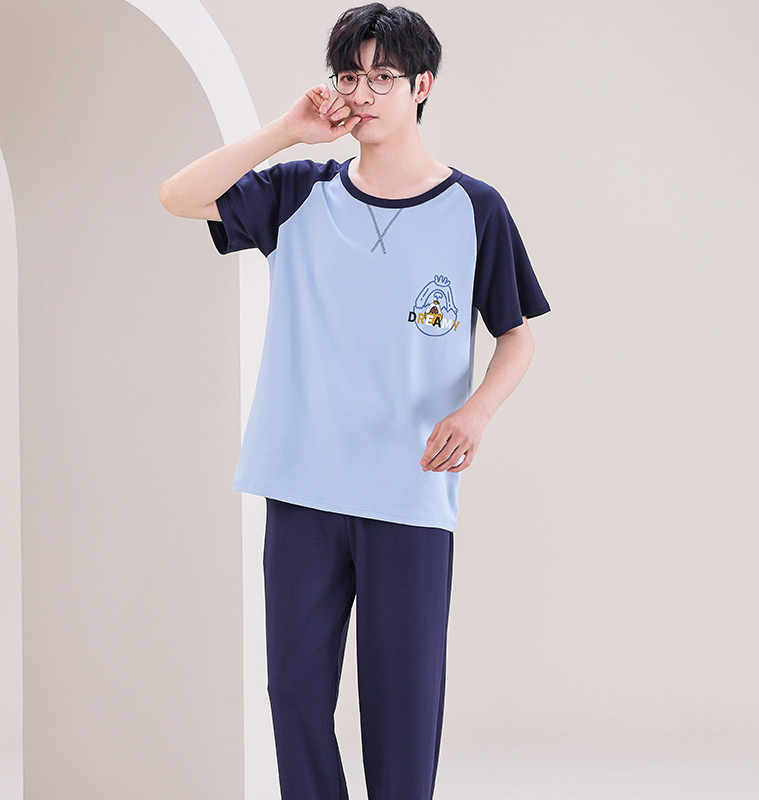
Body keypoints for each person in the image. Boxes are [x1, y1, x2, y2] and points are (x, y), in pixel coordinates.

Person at [159, 4, 550, 799]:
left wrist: (475, 412)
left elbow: (516, 335)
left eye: (382, 77)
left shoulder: (475, 209)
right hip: (302, 484)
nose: (362, 93)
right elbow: (177, 194)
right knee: (296, 697)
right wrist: (285, 132)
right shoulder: (299, 193)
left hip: (409, 492)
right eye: (349, 76)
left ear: (422, 86)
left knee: (403, 707)